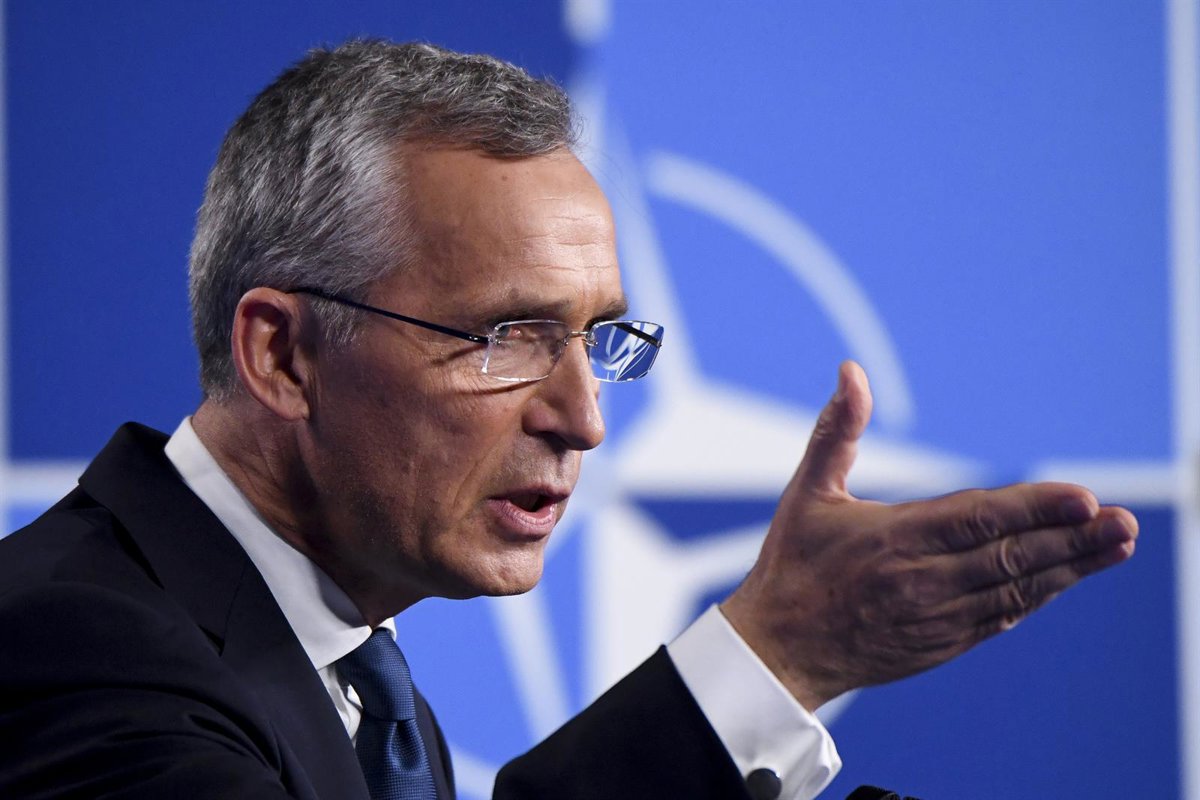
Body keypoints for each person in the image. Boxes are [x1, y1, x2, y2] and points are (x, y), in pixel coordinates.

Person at [0, 40, 1137, 800]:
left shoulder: (358, 680)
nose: (585, 418)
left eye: (598, 337)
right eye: (506, 335)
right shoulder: (72, 652)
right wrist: (780, 651)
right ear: (283, 355)